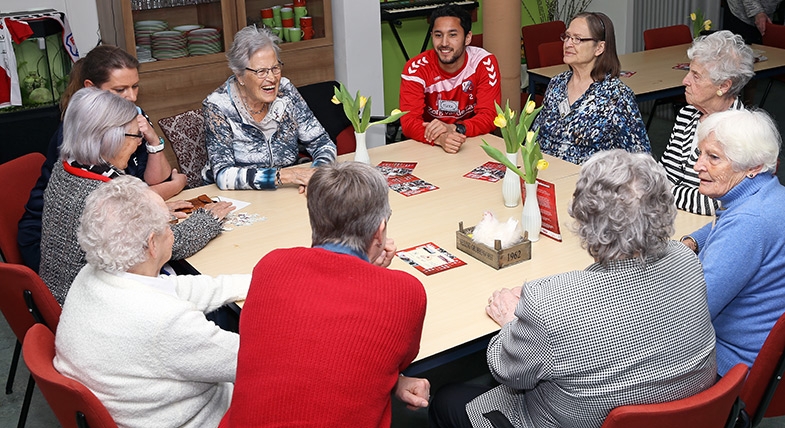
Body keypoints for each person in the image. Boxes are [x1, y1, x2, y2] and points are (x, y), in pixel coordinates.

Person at [429, 150, 717, 428]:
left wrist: (510, 322)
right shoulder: (686, 259)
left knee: (446, 399)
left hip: (562, 420)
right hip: (684, 413)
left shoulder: (549, 305)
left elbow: (508, 371)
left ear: (585, 222)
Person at [220, 162, 430, 427]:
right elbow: (397, 361)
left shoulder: (271, 265)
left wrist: (365, 269)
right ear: (379, 230)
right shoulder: (407, 292)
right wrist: (370, 271)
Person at [53, 175, 249, 427]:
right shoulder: (164, 320)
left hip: (136, 407)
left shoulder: (91, 274)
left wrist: (259, 280)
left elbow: (179, 287)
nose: (172, 231)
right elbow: (255, 359)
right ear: (151, 244)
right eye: (168, 224)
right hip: (205, 418)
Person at [39, 87, 232, 305]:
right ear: (109, 139)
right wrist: (208, 220)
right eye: (135, 135)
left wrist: (143, 214)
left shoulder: (67, 166)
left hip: (59, 296)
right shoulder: (108, 194)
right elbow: (160, 248)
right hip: (94, 305)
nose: (140, 141)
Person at [17, 44, 187, 272]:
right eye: (120, 90)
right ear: (91, 89)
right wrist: (172, 188)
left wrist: (154, 141)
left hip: (110, 223)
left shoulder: (130, 119)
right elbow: (107, 198)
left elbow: (152, 182)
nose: (132, 97)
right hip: (60, 246)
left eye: (135, 86)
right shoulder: (79, 135)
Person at [680, 109, 785, 376]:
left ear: (753, 166)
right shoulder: (770, 195)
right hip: (764, 358)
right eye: (701, 154)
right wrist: (694, 241)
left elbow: (691, 310)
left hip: (728, 365)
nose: (698, 166)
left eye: (713, 158)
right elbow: (727, 221)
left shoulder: (749, 223)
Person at [203, 25, 336, 190]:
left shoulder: (286, 91)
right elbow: (223, 175)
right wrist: (287, 176)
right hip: (238, 197)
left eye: (275, 68)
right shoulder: (218, 106)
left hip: (286, 192)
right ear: (240, 76)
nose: (272, 78)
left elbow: (323, 143)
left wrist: (314, 176)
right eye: (261, 72)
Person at [532, 12, 650, 165]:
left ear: (599, 48)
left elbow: (641, 158)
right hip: (546, 175)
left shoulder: (616, 96)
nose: (568, 44)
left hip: (590, 183)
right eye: (567, 37)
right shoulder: (557, 83)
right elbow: (535, 136)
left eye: (578, 39)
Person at [660, 30, 754, 216]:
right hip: (673, 218)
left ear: (723, 86)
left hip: (708, 232)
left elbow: (714, 203)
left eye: (696, 76)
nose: (685, 80)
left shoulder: (740, 131)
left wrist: (662, 193)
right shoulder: (687, 114)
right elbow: (661, 176)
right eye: (689, 71)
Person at [399, 4, 501, 153]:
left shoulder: (483, 63)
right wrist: (440, 138)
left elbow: (490, 115)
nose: (444, 43)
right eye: (438, 35)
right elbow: (409, 122)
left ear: (467, 38)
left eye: (453, 35)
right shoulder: (416, 68)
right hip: (428, 143)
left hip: (470, 141)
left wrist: (455, 128)